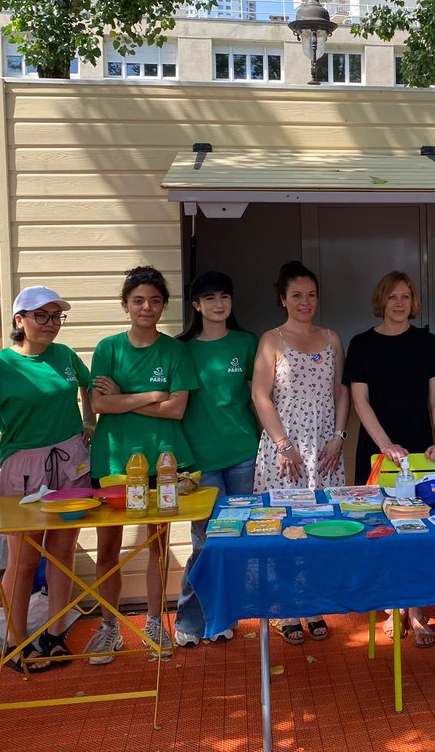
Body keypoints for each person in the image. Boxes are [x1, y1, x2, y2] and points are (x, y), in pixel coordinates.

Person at [0, 286, 93, 672]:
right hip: (24, 471)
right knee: (22, 559)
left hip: (72, 465)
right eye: (42, 316)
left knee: (63, 552)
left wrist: (89, 420)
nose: (51, 324)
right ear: (20, 320)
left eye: (56, 317)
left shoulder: (65, 356)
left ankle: (53, 634)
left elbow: (88, 386)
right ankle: (16, 643)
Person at [85, 266, 197, 664]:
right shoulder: (108, 349)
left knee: (158, 545)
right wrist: (151, 393)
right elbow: (99, 405)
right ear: (125, 305)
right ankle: (109, 627)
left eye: (154, 300)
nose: (146, 307)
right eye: (138, 301)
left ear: (163, 305)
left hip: (161, 461)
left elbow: (177, 409)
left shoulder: (174, 351)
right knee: (107, 548)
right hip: (113, 459)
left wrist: (125, 399)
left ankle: (154, 623)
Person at [344, 270, 435, 648]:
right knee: (382, 528)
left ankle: (419, 611)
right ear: (381, 301)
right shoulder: (361, 343)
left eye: (406, 297)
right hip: (377, 449)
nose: (400, 303)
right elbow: (360, 401)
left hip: (421, 448)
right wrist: (386, 445)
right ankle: (392, 607)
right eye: (393, 297)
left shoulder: (426, 342)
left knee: (420, 530)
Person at [252, 261, 350, 644]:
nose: (305, 302)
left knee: (320, 523)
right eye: (297, 295)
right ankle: (284, 606)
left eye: (311, 295)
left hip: (325, 443)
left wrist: (340, 435)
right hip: (286, 445)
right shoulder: (271, 339)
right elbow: (260, 395)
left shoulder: (332, 337)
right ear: (283, 299)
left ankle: (311, 603)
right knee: (285, 522)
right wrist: (282, 444)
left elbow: (341, 391)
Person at [174, 270, 259, 647]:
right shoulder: (180, 348)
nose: (218, 304)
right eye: (209, 298)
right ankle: (192, 621)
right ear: (196, 305)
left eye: (225, 296)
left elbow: (264, 396)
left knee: (239, 538)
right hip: (200, 461)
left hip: (244, 453)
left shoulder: (247, 343)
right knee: (204, 543)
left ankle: (226, 617)